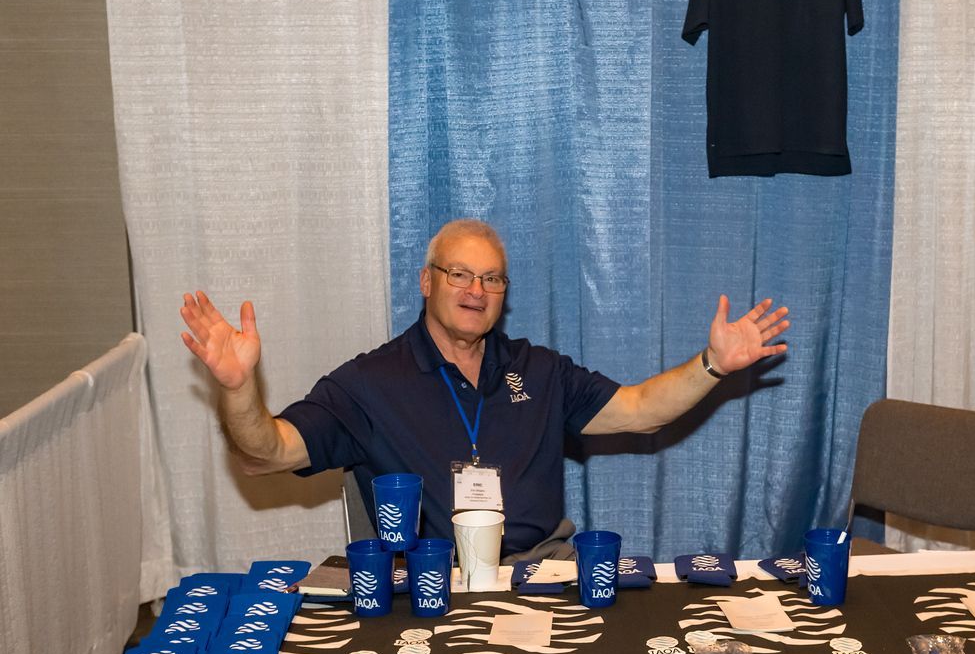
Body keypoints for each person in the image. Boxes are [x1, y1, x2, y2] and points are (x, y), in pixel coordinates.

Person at [181, 218, 788, 560]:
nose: (477, 290)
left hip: (541, 575)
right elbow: (263, 453)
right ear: (426, 281)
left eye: (492, 278)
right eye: (460, 274)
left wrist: (711, 363)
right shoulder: (370, 382)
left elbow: (639, 411)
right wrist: (237, 389)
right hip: (429, 586)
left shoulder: (540, 370)